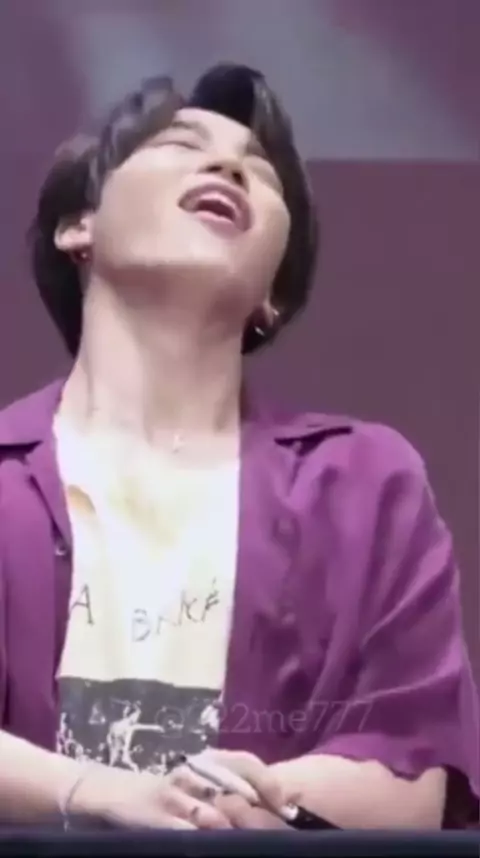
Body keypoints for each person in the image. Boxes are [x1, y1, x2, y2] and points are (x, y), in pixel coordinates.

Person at [0, 63, 477, 832]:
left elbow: (414, 769)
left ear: (273, 294)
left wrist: (241, 802)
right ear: (77, 226)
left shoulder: (364, 484)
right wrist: (92, 791)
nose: (228, 165)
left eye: (260, 171)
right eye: (181, 144)